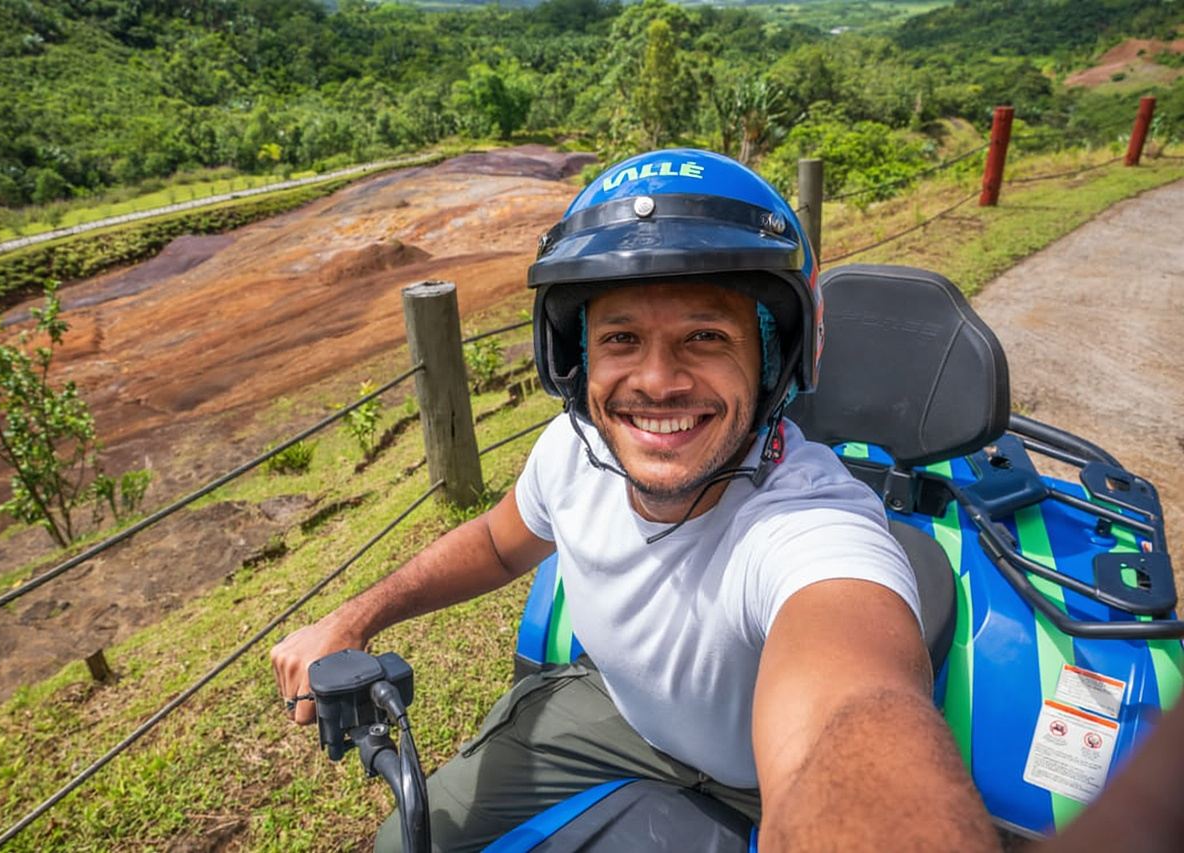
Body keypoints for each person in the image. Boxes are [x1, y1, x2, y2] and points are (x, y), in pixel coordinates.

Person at [271, 149, 998, 851]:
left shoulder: (812, 528)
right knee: (406, 840)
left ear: (777, 356)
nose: (656, 381)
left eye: (705, 335)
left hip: (757, 778)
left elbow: (851, 708)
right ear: (575, 357)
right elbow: (496, 542)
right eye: (621, 337)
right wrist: (356, 614)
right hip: (614, 714)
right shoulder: (571, 451)